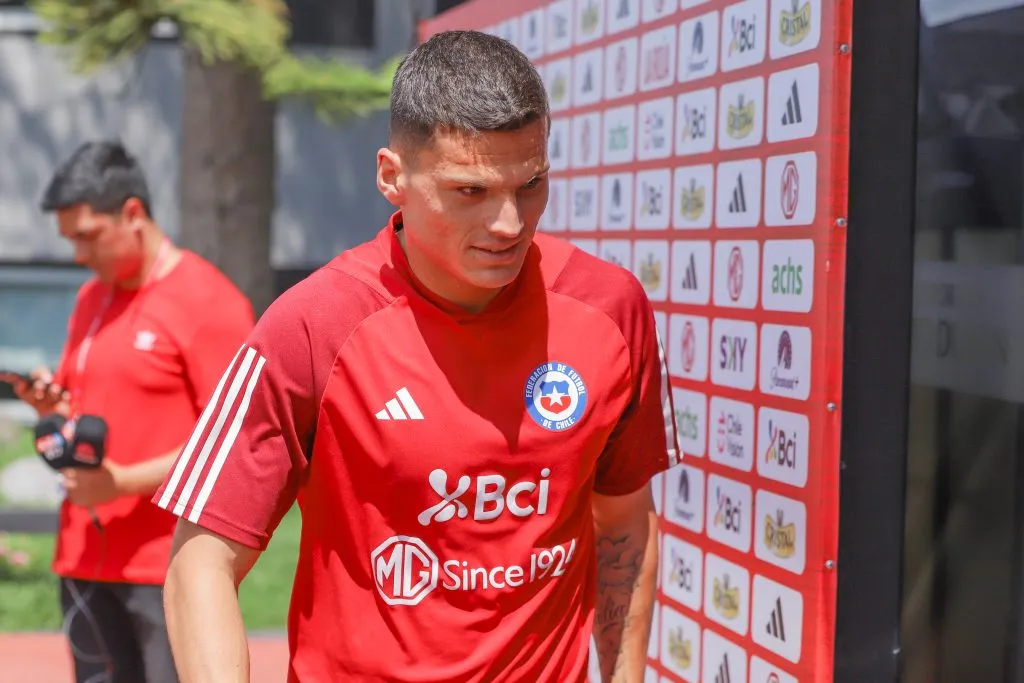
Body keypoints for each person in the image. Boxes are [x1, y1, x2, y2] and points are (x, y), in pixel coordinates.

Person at [154, 30, 680, 683]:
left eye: (531, 184)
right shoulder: (312, 325)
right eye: (470, 192)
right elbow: (201, 559)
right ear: (391, 176)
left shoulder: (610, 307)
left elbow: (625, 520)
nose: (510, 224)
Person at [4, 141, 255, 683]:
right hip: (82, 559)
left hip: (164, 563)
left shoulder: (208, 302)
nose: (76, 254)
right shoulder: (92, 299)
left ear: (134, 214)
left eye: (87, 235)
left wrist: (120, 483)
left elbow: (231, 444)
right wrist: (54, 404)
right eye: (69, 238)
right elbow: (93, 404)